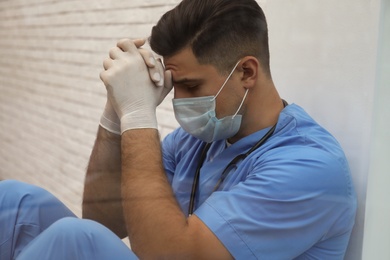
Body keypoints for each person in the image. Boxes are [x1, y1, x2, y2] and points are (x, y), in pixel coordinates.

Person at [0, 0, 357, 259]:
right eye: (173, 84)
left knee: (74, 241)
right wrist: (117, 112)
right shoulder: (195, 141)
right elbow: (105, 219)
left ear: (247, 72)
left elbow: (171, 255)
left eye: (190, 86)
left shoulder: (309, 167)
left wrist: (140, 115)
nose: (177, 100)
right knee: (16, 203)